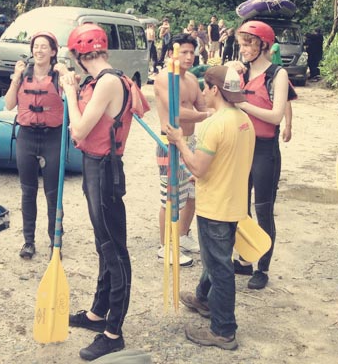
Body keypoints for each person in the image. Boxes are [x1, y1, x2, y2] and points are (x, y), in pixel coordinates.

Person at [62, 23, 149, 361]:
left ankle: (114, 332)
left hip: (105, 170)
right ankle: (98, 312)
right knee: (103, 244)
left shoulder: (110, 82)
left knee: (114, 249)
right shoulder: (101, 80)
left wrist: (70, 93)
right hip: (94, 167)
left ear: (79, 55)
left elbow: (80, 130)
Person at [166, 66, 255, 351]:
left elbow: (198, 167)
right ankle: (204, 299)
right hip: (233, 203)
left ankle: (223, 330)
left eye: (206, 87)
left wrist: (179, 141)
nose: (203, 92)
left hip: (215, 207)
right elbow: (228, 160)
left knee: (220, 267)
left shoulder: (214, 124)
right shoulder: (244, 120)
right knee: (216, 258)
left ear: (215, 89)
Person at [228, 20, 296, 290]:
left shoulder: (277, 74)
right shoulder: (241, 71)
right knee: (240, 208)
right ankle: (245, 259)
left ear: (263, 45)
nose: (243, 49)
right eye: (241, 44)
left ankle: (262, 267)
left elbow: (276, 115)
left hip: (265, 149)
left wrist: (243, 103)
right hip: (241, 147)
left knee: (263, 210)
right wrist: (229, 72)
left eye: (248, 44)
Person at [3, 31, 65, 260]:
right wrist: (16, 78)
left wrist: (67, 75)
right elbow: (9, 104)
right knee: (28, 191)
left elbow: (75, 98)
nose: (39, 50)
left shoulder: (59, 76)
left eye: (44, 47)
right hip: (27, 136)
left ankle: (55, 242)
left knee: (52, 193)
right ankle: (28, 241)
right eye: (36, 46)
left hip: (52, 137)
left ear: (53, 52)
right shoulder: (23, 75)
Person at [153, 33, 209, 267]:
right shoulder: (165, 78)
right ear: (171, 53)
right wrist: (205, 115)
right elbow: (176, 113)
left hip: (191, 141)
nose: (188, 57)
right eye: (183, 52)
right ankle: (165, 246)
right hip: (170, 143)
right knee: (171, 197)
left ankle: (183, 235)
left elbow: (203, 106)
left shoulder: (192, 79)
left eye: (191, 52)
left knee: (193, 194)